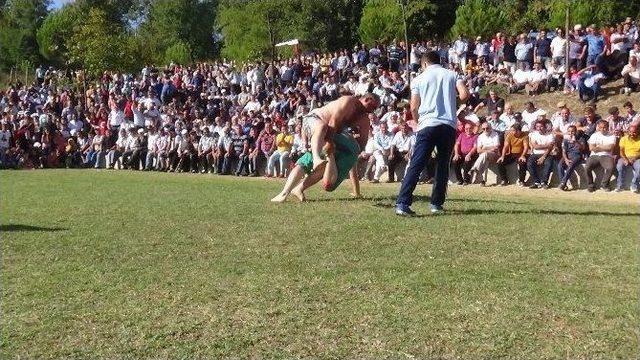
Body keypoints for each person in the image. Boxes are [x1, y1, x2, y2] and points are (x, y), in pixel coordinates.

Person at [395, 51, 470, 216]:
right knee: (443, 165)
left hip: (427, 124)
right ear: (440, 61)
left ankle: (402, 203)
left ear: (424, 64)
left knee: (417, 164)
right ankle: (436, 204)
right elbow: (465, 95)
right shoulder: (452, 74)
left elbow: (414, 107)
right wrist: (453, 102)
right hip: (448, 125)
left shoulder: (418, 79)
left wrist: (419, 122)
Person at [271, 129, 362, 203]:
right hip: (333, 142)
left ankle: (290, 191)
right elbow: (353, 173)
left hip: (326, 137)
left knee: (310, 165)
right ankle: (289, 192)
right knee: (319, 172)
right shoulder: (352, 146)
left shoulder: (343, 133)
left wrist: (307, 142)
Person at [300, 93, 380, 172]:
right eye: (373, 107)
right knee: (322, 127)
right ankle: (316, 158)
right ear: (366, 100)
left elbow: (362, 141)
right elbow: (333, 121)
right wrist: (329, 141)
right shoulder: (349, 101)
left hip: (327, 132)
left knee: (346, 149)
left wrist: (359, 153)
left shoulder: (362, 117)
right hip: (313, 119)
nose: (373, 110)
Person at [585, 120, 616, 192]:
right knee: (587, 167)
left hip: (606, 156)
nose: (602, 129)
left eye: (604, 127)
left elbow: (610, 148)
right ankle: (590, 185)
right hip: (594, 156)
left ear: (608, 127)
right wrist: (604, 147)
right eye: (601, 127)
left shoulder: (611, 136)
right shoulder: (594, 135)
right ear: (598, 127)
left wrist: (598, 147)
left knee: (610, 167)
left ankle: (604, 184)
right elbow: (591, 148)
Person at [527, 120, 556, 189]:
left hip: (547, 154)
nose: (539, 128)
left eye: (541, 126)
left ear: (545, 127)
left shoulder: (550, 135)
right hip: (535, 154)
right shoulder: (534, 134)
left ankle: (544, 182)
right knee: (529, 164)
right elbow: (535, 147)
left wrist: (543, 157)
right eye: (537, 126)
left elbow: (550, 148)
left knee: (548, 164)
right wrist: (547, 145)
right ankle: (536, 182)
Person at [557, 125, 586, 191]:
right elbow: (564, 151)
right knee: (560, 165)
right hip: (567, 155)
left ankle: (563, 183)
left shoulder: (580, 138)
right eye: (569, 131)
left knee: (571, 165)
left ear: (575, 132)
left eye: (572, 131)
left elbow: (582, 148)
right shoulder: (565, 139)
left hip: (577, 155)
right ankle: (563, 184)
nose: (571, 133)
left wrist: (575, 141)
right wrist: (566, 159)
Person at [615, 124, 640, 192]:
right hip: (625, 157)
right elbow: (621, 152)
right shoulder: (623, 139)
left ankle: (634, 185)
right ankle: (620, 186)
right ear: (628, 132)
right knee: (619, 166)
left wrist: (635, 158)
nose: (632, 134)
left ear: (638, 131)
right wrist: (625, 159)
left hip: (637, 158)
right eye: (630, 132)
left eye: (634, 132)